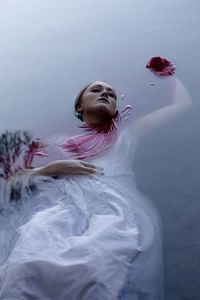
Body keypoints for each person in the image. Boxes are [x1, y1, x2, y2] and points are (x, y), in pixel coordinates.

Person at [0, 79, 193, 299]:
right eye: (96, 90)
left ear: (114, 109)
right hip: (57, 205)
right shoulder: (55, 142)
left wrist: (167, 74)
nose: (105, 94)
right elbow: (9, 182)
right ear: (79, 106)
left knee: (100, 260)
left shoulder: (125, 135)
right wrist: (52, 167)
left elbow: (182, 104)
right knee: (28, 258)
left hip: (111, 205)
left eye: (111, 94)